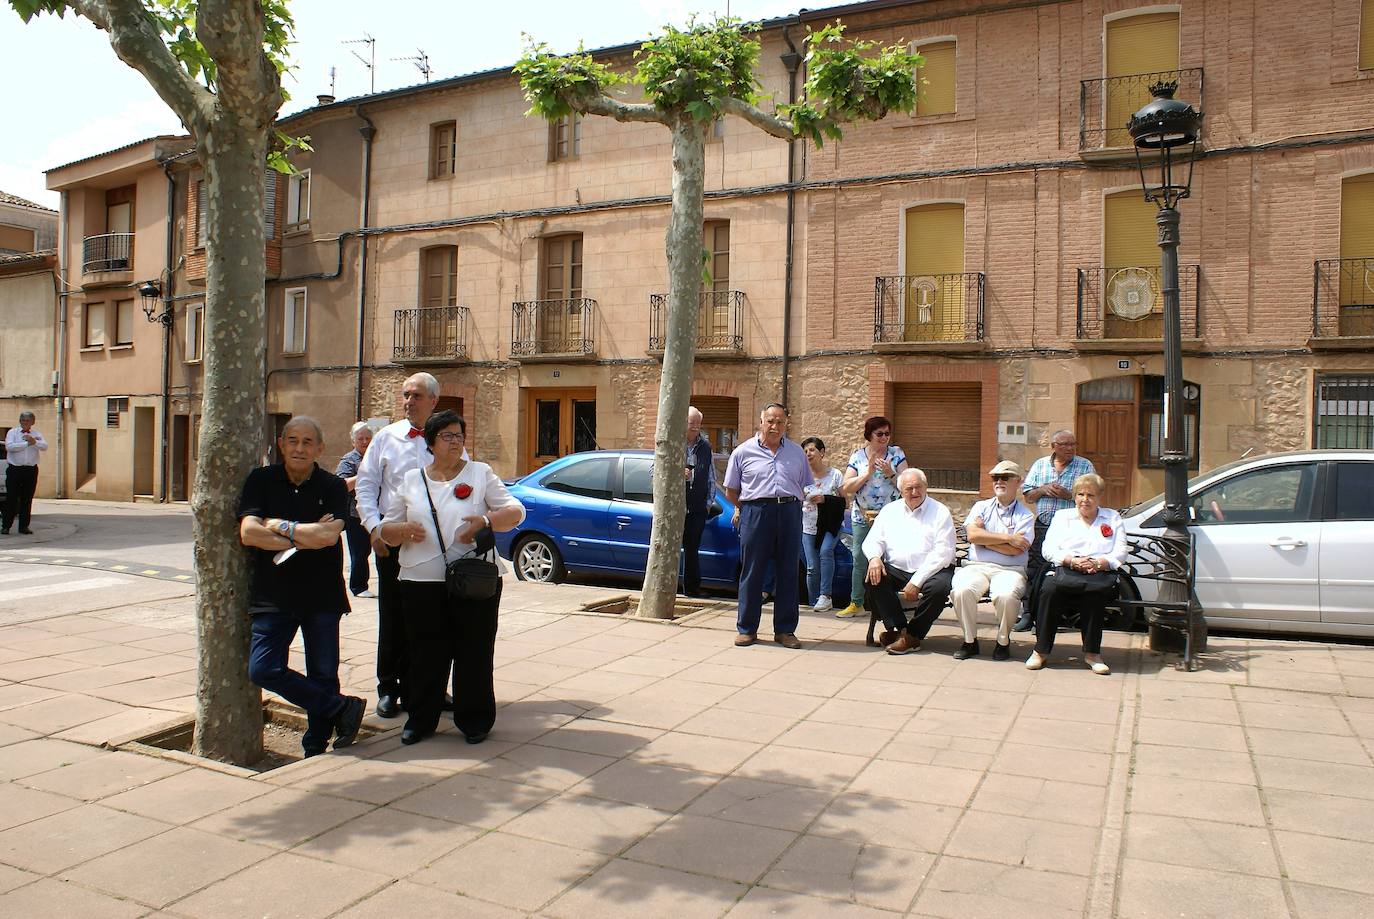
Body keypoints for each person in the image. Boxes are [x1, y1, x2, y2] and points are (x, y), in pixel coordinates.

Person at [378, 410, 525, 745]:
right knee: (425, 652)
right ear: (430, 443)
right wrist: (400, 530)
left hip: (473, 580)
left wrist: (486, 522)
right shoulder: (412, 480)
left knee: (474, 649)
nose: (455, 441)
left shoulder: (479, 473)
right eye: (447, 435)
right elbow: (385, 529)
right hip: (419, 581)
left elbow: (516, 511)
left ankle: (474, 720)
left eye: (459, 435)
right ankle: (422, 719)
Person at [238, 416, 366, 757]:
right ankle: (342, 709)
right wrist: (306, 534)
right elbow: (249, 533)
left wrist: (280, 527)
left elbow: (328, 536)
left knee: (324, 673)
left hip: (322, 594)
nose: (299, 448)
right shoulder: (261, 480)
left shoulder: (332, 486)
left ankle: (315, 746)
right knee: (263, 668)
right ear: (281, 444)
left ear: (319, 449)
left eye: (307, 442)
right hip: (273, 595)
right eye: (292, 440)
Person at [355, 372, 441, 718]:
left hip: (434, 545)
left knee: (431, 618)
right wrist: (374, 528)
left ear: (434, 400)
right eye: (406, 395)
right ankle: (388, 688)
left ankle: (428, 686)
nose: (409, 401)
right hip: (392, 542)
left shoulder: (445, 438)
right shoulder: (385, 438)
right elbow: (365, 486)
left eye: (417, 395)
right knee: (393, 616)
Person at [723, 403, 810, 649]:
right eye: (770, 421)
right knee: (752, 571)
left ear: (786, 425)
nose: (775, 426)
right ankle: (747, 629)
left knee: (788, 571)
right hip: (755, 512)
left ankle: (785, 630)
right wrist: (750, 507)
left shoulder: (796, 452)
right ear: (761, 422)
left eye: (780, 422)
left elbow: (804, 485)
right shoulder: (742, 452)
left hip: (790, 511)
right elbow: (731, 491)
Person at [1028, 473, 1128, 676]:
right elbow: (1048, 549)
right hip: (1067, 569)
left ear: (1100, 497)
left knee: (1095, 594)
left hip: (1098, 572)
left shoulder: (1112, 517)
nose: (1085, 499)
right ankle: (1041, 650)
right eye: (1080, 494)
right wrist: (1071, 560)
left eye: (1091, 495)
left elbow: (1121, 551)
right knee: (1049, 591)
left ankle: (1093, 654)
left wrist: (1099, 563)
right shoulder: (1063, 517)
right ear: (1074, 497)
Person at [863, 468, 956, 656]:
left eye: (919, 487)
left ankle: (914, 634)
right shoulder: (890, 510)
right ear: (901, 491)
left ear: (926, 487)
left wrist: (916, 581)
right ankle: (900, 630)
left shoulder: (940, 512)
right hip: (898, 569)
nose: (915, 492)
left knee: (939, 589)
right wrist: (874, 558)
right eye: (909, 488)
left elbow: (943, 553)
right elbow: (873, 540)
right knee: (873, 577)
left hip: (932, 571)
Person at [950, 460, 1036, 661]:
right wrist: (1008, 538)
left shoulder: (1026, 515)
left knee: (1006, 596)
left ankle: (1003, 642)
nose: (999, 481)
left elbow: (1017, 550)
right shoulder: (981, 506)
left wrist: (984, 539)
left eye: (1005, 477)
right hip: (976, 567)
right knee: (961, 591)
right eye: (995, 478)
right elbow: (972, 536)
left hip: (1011, 569)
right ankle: (970, 641)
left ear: (1018, 482)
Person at [1013, 430, 1096, 632]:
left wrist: (1069, 495)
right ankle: (1029, 614)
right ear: (1054, 446)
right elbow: (1028, 497)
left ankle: (1054, 617)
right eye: (1065, 444)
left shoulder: (1084, 465)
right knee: (1035, 572)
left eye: (1072, 444)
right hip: (1043, 526)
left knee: (1062, 573)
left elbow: (1092, 496)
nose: (1070, 448)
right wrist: (1043, 490)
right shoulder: (1040, 465)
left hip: (1072, 529)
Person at [836, 416, 907, 618]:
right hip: (863, 516)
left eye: (887, 433)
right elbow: (846, 487)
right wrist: (867, 473)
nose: (884, 437)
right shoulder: (858, 456)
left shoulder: (896, 454)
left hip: (891, 517)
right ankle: (856, 602)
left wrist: (890, 473)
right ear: (869, 435)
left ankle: (887, 605)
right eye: (880, 434)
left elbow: (908, 485)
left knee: (889, 560)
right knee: (860, 558)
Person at [800, 436, 845, 612]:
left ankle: (826, 596)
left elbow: (844, 502)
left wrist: (825, 499)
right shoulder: (802, 477)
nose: (808, 454)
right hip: (808, 526)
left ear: (822, 453)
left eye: (811, 450)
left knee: (826, 552)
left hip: (829, 525)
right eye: (805, 451)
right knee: (811, 567)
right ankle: (814, 603)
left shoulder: (835, 475)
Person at [335, 421, 376, 598]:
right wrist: (364, 476)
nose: (365, 441)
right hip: (355, 514)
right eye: (361, 438)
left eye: (368, 438)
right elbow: (341, 485)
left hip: (376, 510)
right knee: (359, 552)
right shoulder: (349, 460)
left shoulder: (376, 457)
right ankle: (358, 587)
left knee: (377, 550)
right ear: (353, 441)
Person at [681, 406, 715, 597]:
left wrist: (708, 503)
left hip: (697, 508)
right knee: (670, 550)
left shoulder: (705, 447)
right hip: (675, 507)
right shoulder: (673, 442)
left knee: (692, 550)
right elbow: (654, 471)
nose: (695, 427)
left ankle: (692, 589)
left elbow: (710, 477)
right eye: (691, 422)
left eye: (698, 423)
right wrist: (678, 472)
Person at [2, 412, 48, 536]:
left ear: (33, 422)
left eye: (27, 420)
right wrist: (27, 443)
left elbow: (44, 446)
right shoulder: (13, 432)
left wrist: (35, 442)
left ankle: (24, 526)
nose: (25, 422)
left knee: (27, 499)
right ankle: (6, 526)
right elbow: (10, 447)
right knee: (11, 498)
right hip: (15, 469)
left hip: (30, 470)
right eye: (22, 420)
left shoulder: (37, 434)